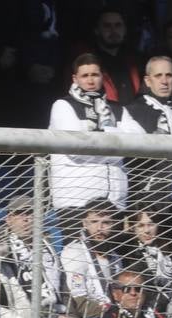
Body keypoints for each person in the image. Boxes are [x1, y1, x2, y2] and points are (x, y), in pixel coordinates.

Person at [48, 54, 128, 218]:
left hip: (114, 200)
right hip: (76, 202)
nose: (90, 81)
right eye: (85, 75)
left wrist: (98, 138)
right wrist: (117, 145)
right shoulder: (62, 105)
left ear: (102, 77)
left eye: (95, 75)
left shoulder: (117, 109)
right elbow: (77, 148)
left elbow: (138, 144)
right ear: (75, 78)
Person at [118, 57, 172, 222]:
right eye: (158, 76)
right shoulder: (132, 111)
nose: (164, 81)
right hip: (149, 202)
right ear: (147, 80)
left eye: (169, 75)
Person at [59, 200, 122, 318]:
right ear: (84, 223)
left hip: (110, 315)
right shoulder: (75, 252)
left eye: (106, 222)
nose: (100, 228)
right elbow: (79, 302)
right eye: (94, 222)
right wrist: (111, 311)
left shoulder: (115, 258)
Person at [122, 209, 172, 310]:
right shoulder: (128, 253)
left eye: (151, 224)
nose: (147, 230)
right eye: (141, 226)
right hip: (146, 310)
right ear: (133, 228)